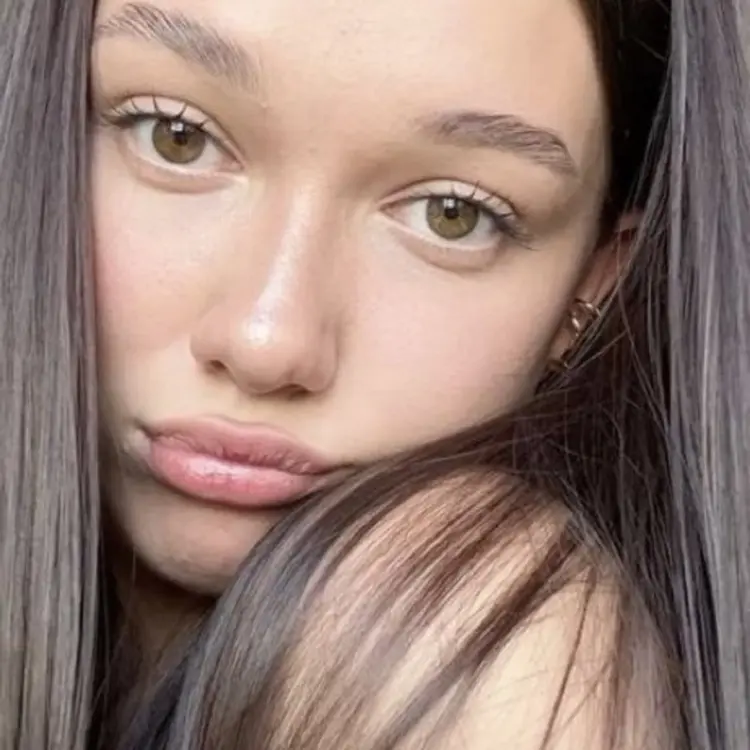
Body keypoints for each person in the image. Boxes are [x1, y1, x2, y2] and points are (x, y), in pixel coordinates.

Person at [1, 0, 749, 747]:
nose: (268, 344)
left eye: (452, 214)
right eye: (177, 137)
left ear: (594, 285)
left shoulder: (513, 666)